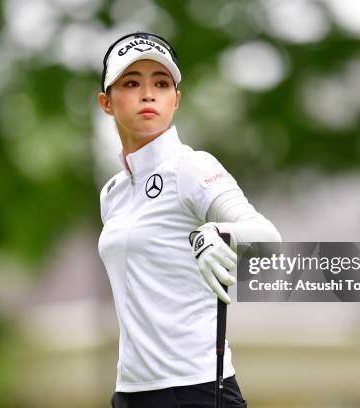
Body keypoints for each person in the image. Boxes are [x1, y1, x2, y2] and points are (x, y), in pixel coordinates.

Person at [97, 32, 281, 408]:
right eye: (132, 83)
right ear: (107, 103)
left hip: (197, 390)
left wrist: (219, 232)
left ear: (176, 100)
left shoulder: (191, 167)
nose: (148, 94)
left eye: (161, 84)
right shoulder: (113, 192)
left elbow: (267, 237)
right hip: (131, 392)